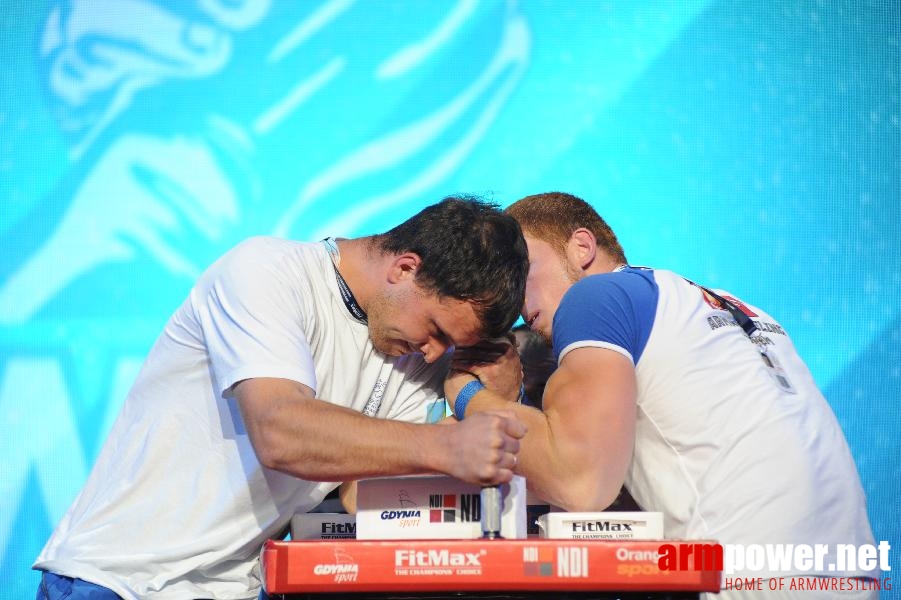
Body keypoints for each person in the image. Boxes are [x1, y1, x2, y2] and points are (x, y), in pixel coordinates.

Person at [33, 196, 529, 600]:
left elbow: (362, 498)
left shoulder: (412, 351)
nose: (435, 351)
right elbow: (280, 431)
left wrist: (491, 399)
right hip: (116, 581)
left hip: (237, 589)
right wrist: (445, 446)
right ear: (404, 267)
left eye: (450, 345)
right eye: (437, 330)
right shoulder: (264, 271)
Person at [446, 191, 879, 598]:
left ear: (582, 248)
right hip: (848, 570)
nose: (513, 298)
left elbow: (578, 481)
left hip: (752, 574)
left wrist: (467, 395)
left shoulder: (595, 297)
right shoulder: (727, 306)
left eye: (521, 271)